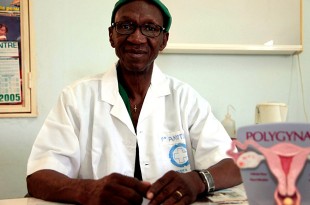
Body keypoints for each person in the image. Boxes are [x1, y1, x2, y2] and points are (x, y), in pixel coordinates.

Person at [26, 0, 242, 205]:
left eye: (150, 28)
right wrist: (87, 190)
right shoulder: (76, 97)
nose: (137, 38)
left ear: (163, 41)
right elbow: (38, 176)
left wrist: (197, 181)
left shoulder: (185, 98)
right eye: (126, 26)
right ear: (112, 36)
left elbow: (235, 164)